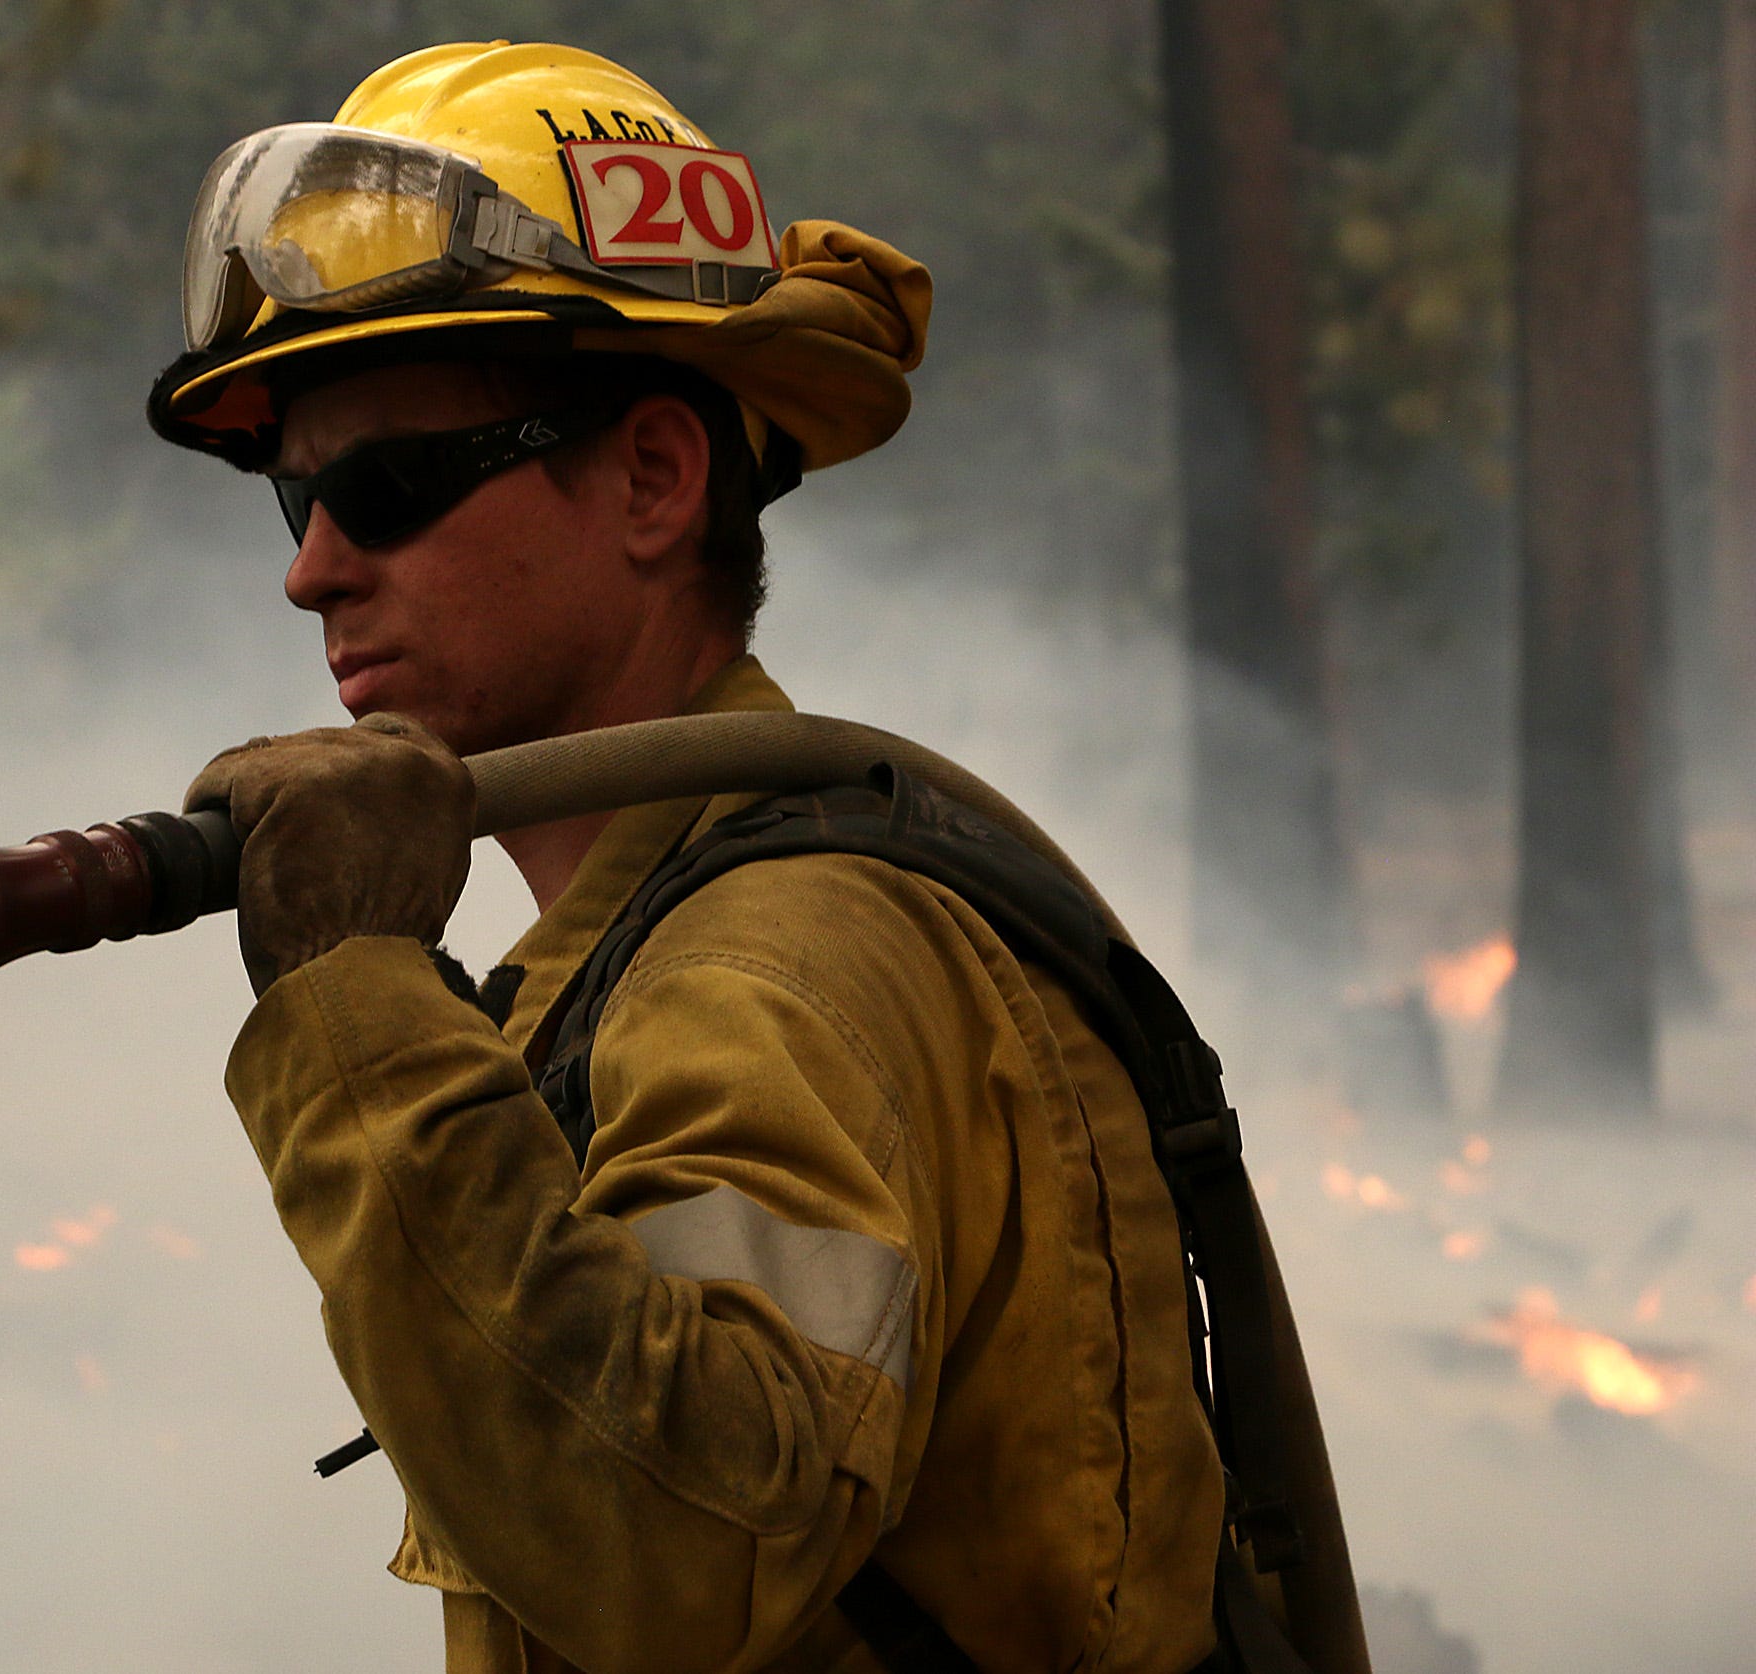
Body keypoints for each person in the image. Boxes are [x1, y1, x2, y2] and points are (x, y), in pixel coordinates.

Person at [154, 41, 1367, 1674]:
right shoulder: (658, 946)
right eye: (293, 498)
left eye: (383, 485)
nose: (312, 571)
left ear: (653, 478)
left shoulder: (767, 967)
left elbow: (677, 1541)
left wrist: (351, 993)